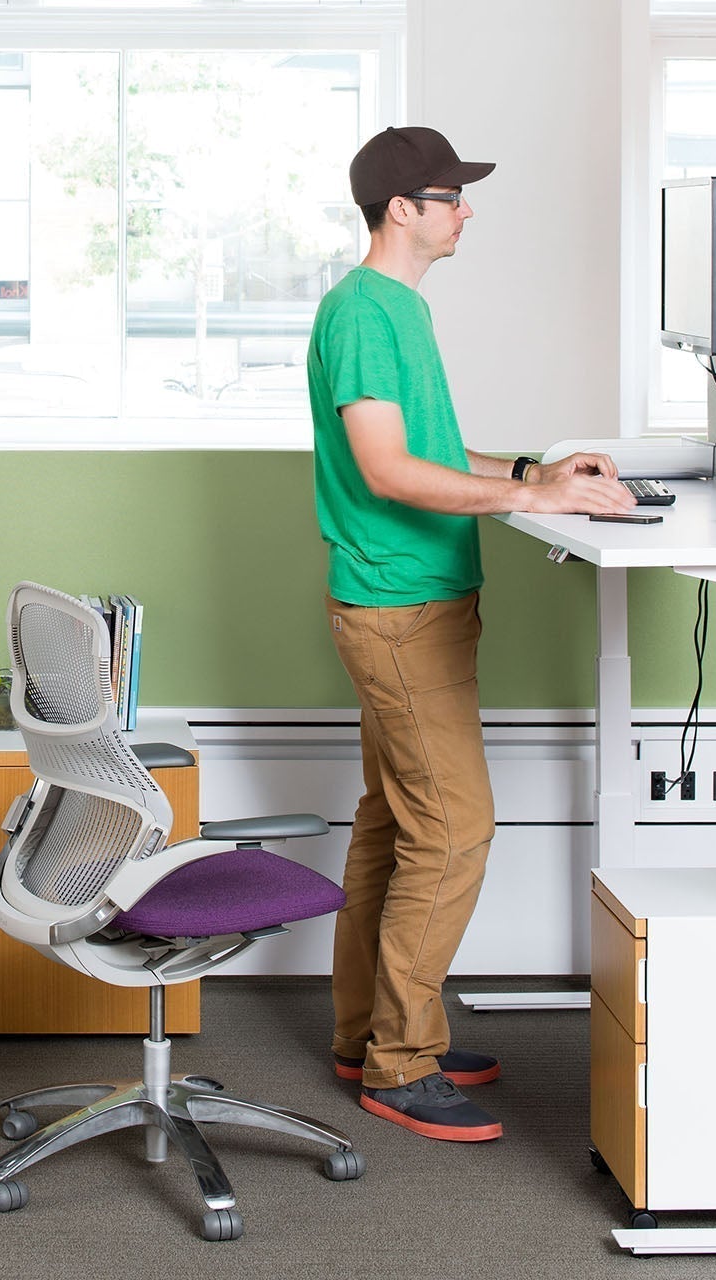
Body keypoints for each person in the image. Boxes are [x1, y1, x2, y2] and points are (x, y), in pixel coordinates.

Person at [307, 127, 633, 1142]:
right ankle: (400, 1064)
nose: (465, 210)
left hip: (418, 596)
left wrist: (536, 470)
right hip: (397, 604)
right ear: (402, 208)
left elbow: (433, 450)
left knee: (393, 822)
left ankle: (369, 1034)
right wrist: (531, 497)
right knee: (453, 830)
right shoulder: (364, 313)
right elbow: (388, 472)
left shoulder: (394, 307)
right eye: (451, 195)